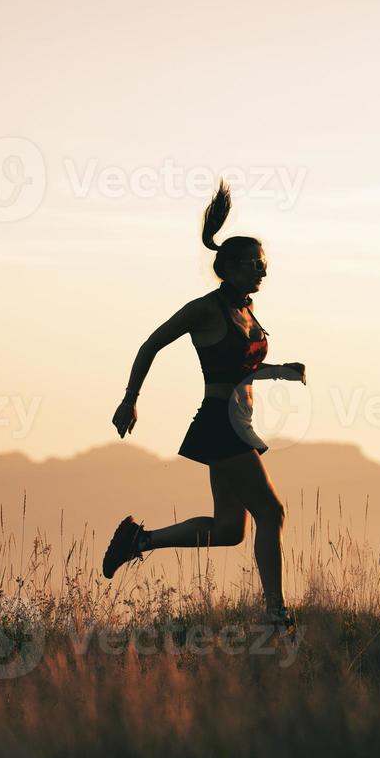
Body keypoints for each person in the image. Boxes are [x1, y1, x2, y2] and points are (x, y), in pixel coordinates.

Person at [101, 181, 305, 630]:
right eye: (255, 265)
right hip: (220, 424)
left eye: (265, 265)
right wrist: (129, 399)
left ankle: (139, 538)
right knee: (272, 513)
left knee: (230, 530)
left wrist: (280, 371)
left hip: (238, 424)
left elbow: (241, 370)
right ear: (228, 268)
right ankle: (275, 613)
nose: (262, 273)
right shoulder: (205, 310)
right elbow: (151, 344)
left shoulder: (246, 311)